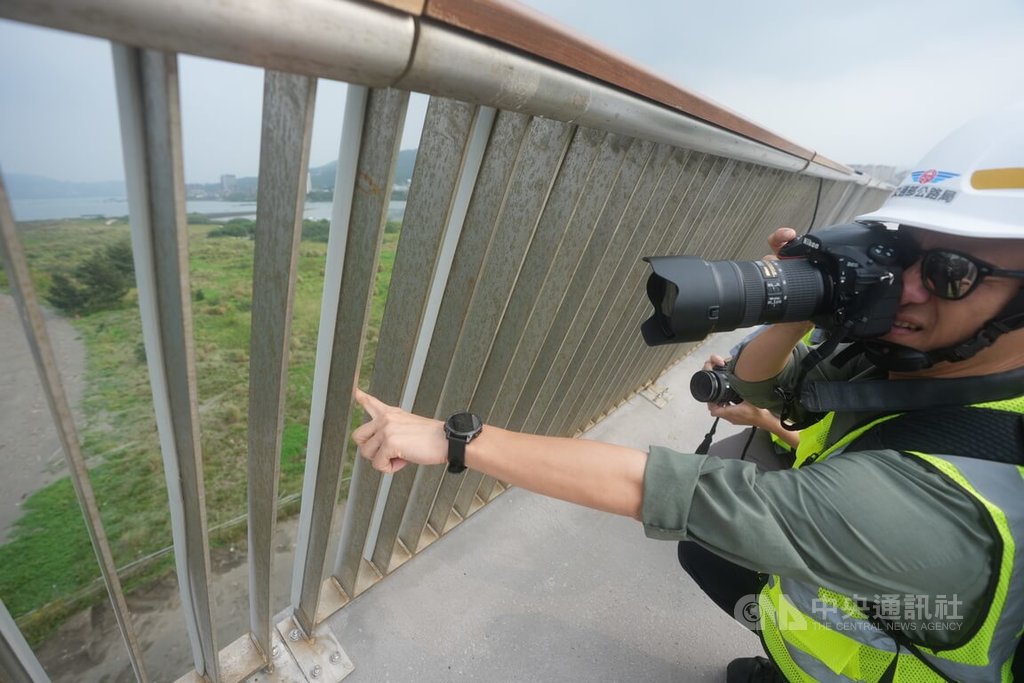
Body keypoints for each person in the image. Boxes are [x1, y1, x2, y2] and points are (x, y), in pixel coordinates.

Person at [353, 102, 1024, 682]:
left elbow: (681, 490)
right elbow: (763, 385)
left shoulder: (944, 510)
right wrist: (801, 302)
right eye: (903, 252)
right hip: (851, 598)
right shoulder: (928, 356)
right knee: (707, 556)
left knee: (707, 538)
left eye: (950, 272)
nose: (906, 287)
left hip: (881, 657)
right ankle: (781, 652)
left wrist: (457, 438)